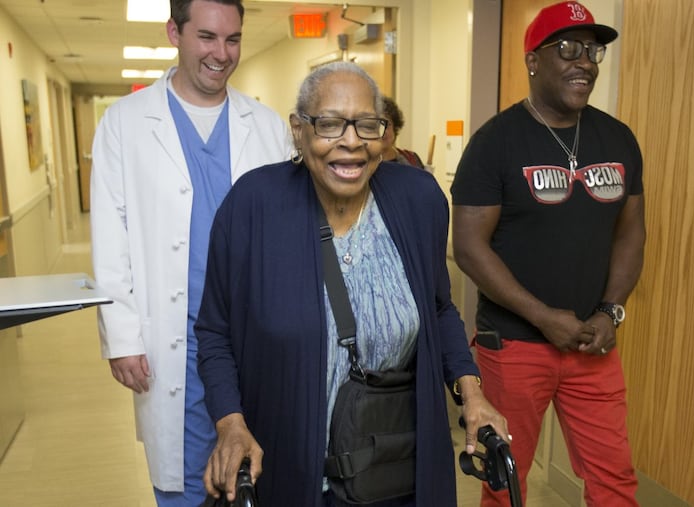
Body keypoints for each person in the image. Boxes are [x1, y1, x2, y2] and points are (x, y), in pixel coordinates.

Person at [194, 61, 509, 506]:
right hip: (292, 471)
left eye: (367, 124)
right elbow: (214, 332)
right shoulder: (253, 205)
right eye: (329, 124)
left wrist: (471, 394)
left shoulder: (418, 200)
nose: (351, 141)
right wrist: (231, 424)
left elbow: (438, 309)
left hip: (396, 470)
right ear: (298, 131)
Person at [89, 0, 292, 505]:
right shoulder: (126, 123)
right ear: (173, 33)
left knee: (260, 473)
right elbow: (111, 235)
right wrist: (121, 334)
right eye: (206, 37)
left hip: (255, 336)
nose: (220, 54)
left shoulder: (266, 126)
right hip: (173, 337)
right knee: (183, 480)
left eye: (233, 39)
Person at [450, 2, 645, 506]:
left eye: (592, 50)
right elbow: (468, 248)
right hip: (514, 345)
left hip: (591, 344)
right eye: (568, 48)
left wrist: (610, 310)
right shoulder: (495, 143)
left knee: (615, 481)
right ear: (533, 60)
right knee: (505, 483)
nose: (585, 61)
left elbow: (631, 234)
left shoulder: (618, 139)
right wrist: (543, 317)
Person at [380, 95, 425, 168]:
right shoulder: (361, 164)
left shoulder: (411, 159)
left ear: (395, 128)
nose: (382, 131)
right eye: (376, 125)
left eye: (387, 124)